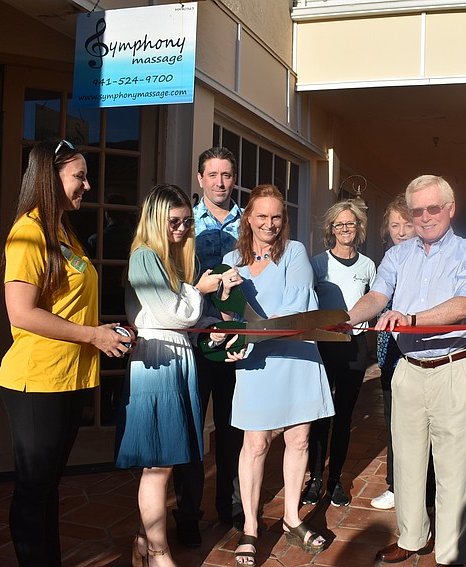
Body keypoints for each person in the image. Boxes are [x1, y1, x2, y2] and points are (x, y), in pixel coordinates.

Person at [0, 138, 135, 566]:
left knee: (48, 489)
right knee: (34, 492)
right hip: (37, 381)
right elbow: (21, 313)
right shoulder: (28, 232)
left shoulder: (62, 230)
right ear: (50, 178)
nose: (88, 186)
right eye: (79, 176)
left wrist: (106, 331)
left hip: (68, 379)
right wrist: (93, 336)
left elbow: (68, 305)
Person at [347, 175, 466, 567]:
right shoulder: (397, 256)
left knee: (455, 470)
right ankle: (412, 538)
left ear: (450, 209)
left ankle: (451, 553)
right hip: (408, 369)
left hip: (455, 368)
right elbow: (377, 295)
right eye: (417, 211)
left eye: (433, 208)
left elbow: (463, 305)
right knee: (407, 463)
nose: (425, 217)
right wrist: (348, 318)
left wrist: (410, 319)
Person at [114, 184, 240, 566]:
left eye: (186, 222)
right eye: (174, 222)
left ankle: (143, 542)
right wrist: (199, 289)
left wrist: (213, 330)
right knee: (158, 465)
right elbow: (173, 314)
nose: (182, 229)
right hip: (158, 362)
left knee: (163, 463)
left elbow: (185, 319)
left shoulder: (167, 258)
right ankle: (159, 552)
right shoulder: (144, 256)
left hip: (176, 358)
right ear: (155, 220)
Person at [219, 184, 334, 566]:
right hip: (256, 362)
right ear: (247, 218)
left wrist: (247, 336)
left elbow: (295, 308)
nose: (269, 224)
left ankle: (291, 518)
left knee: (298, 441)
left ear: (284, 220)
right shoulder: (230, 260)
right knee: (255, 445)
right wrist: (228, 321)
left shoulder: (295, 252)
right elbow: (230, 316)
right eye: (262, 216)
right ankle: (251, 527)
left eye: (276, 217)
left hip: (297, 357)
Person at [172, 146, 245, 546]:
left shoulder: (248, 223)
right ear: (200, 178)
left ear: (234, 178)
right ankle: (187, 514)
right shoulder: (183, 223)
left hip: (235, 340)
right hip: (194, 339)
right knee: (191, 430)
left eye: (226, 175)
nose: (220, 182)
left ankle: (231, 506)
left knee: (234, 428)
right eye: (212, 175)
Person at [303, 200, 376, 507]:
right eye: (340, 224)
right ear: (331, 229)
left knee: (344, 415)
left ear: (359, 227)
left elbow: (374, 303)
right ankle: (315, 479)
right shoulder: (317, 263)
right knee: (320, 414)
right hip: (323, 345)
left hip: (354, 347)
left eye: (351, 223)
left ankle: (335, 480)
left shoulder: (368, 266)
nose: (345, 229)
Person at [370, 194, 434, 511]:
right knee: (395, 422)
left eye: (406, 224)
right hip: (390, 355)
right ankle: (396, 486)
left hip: (422, 353)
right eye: (394, 225)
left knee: (426, 425)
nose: (401, 231)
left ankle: (428, 491)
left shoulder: (429, 259)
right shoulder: (389, 260)